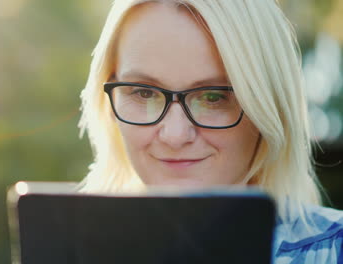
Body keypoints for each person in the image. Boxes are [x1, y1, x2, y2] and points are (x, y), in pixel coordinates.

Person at [77, 0, 343, 263]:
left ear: (267, 104)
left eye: (213, 97)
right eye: (144, 93)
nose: (175, 135)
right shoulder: (57, 249)